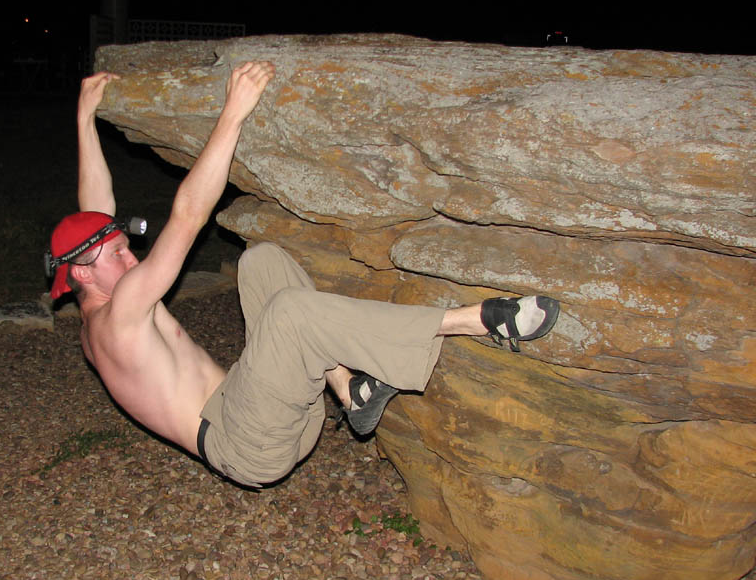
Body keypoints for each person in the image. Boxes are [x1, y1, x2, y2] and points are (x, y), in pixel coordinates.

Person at [46, 62, 560, 488]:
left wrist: (85, 119)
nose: (130, 256)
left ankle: (349, 391)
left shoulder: (102, 294)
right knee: (290, 316)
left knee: (261, 261)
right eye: (116, 254)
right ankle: (473, 320)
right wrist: (233, 113)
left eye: (123, 247)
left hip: (263, 409)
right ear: (81, 275)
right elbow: (187, 217)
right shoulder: (120, 317)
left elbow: (95, 215)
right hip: (246, 447)